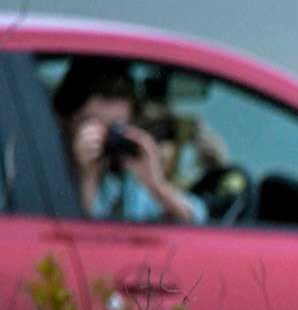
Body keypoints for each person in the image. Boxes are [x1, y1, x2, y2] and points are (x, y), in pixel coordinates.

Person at [52, 58, 207, 224]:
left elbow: (197, 219)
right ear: (68, 120)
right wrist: (87, 177)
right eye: (94, 128)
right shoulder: (44, 166)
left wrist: (156, 185)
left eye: (116, 129)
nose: (106, 140)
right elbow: (77, 235)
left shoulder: (126, 176)